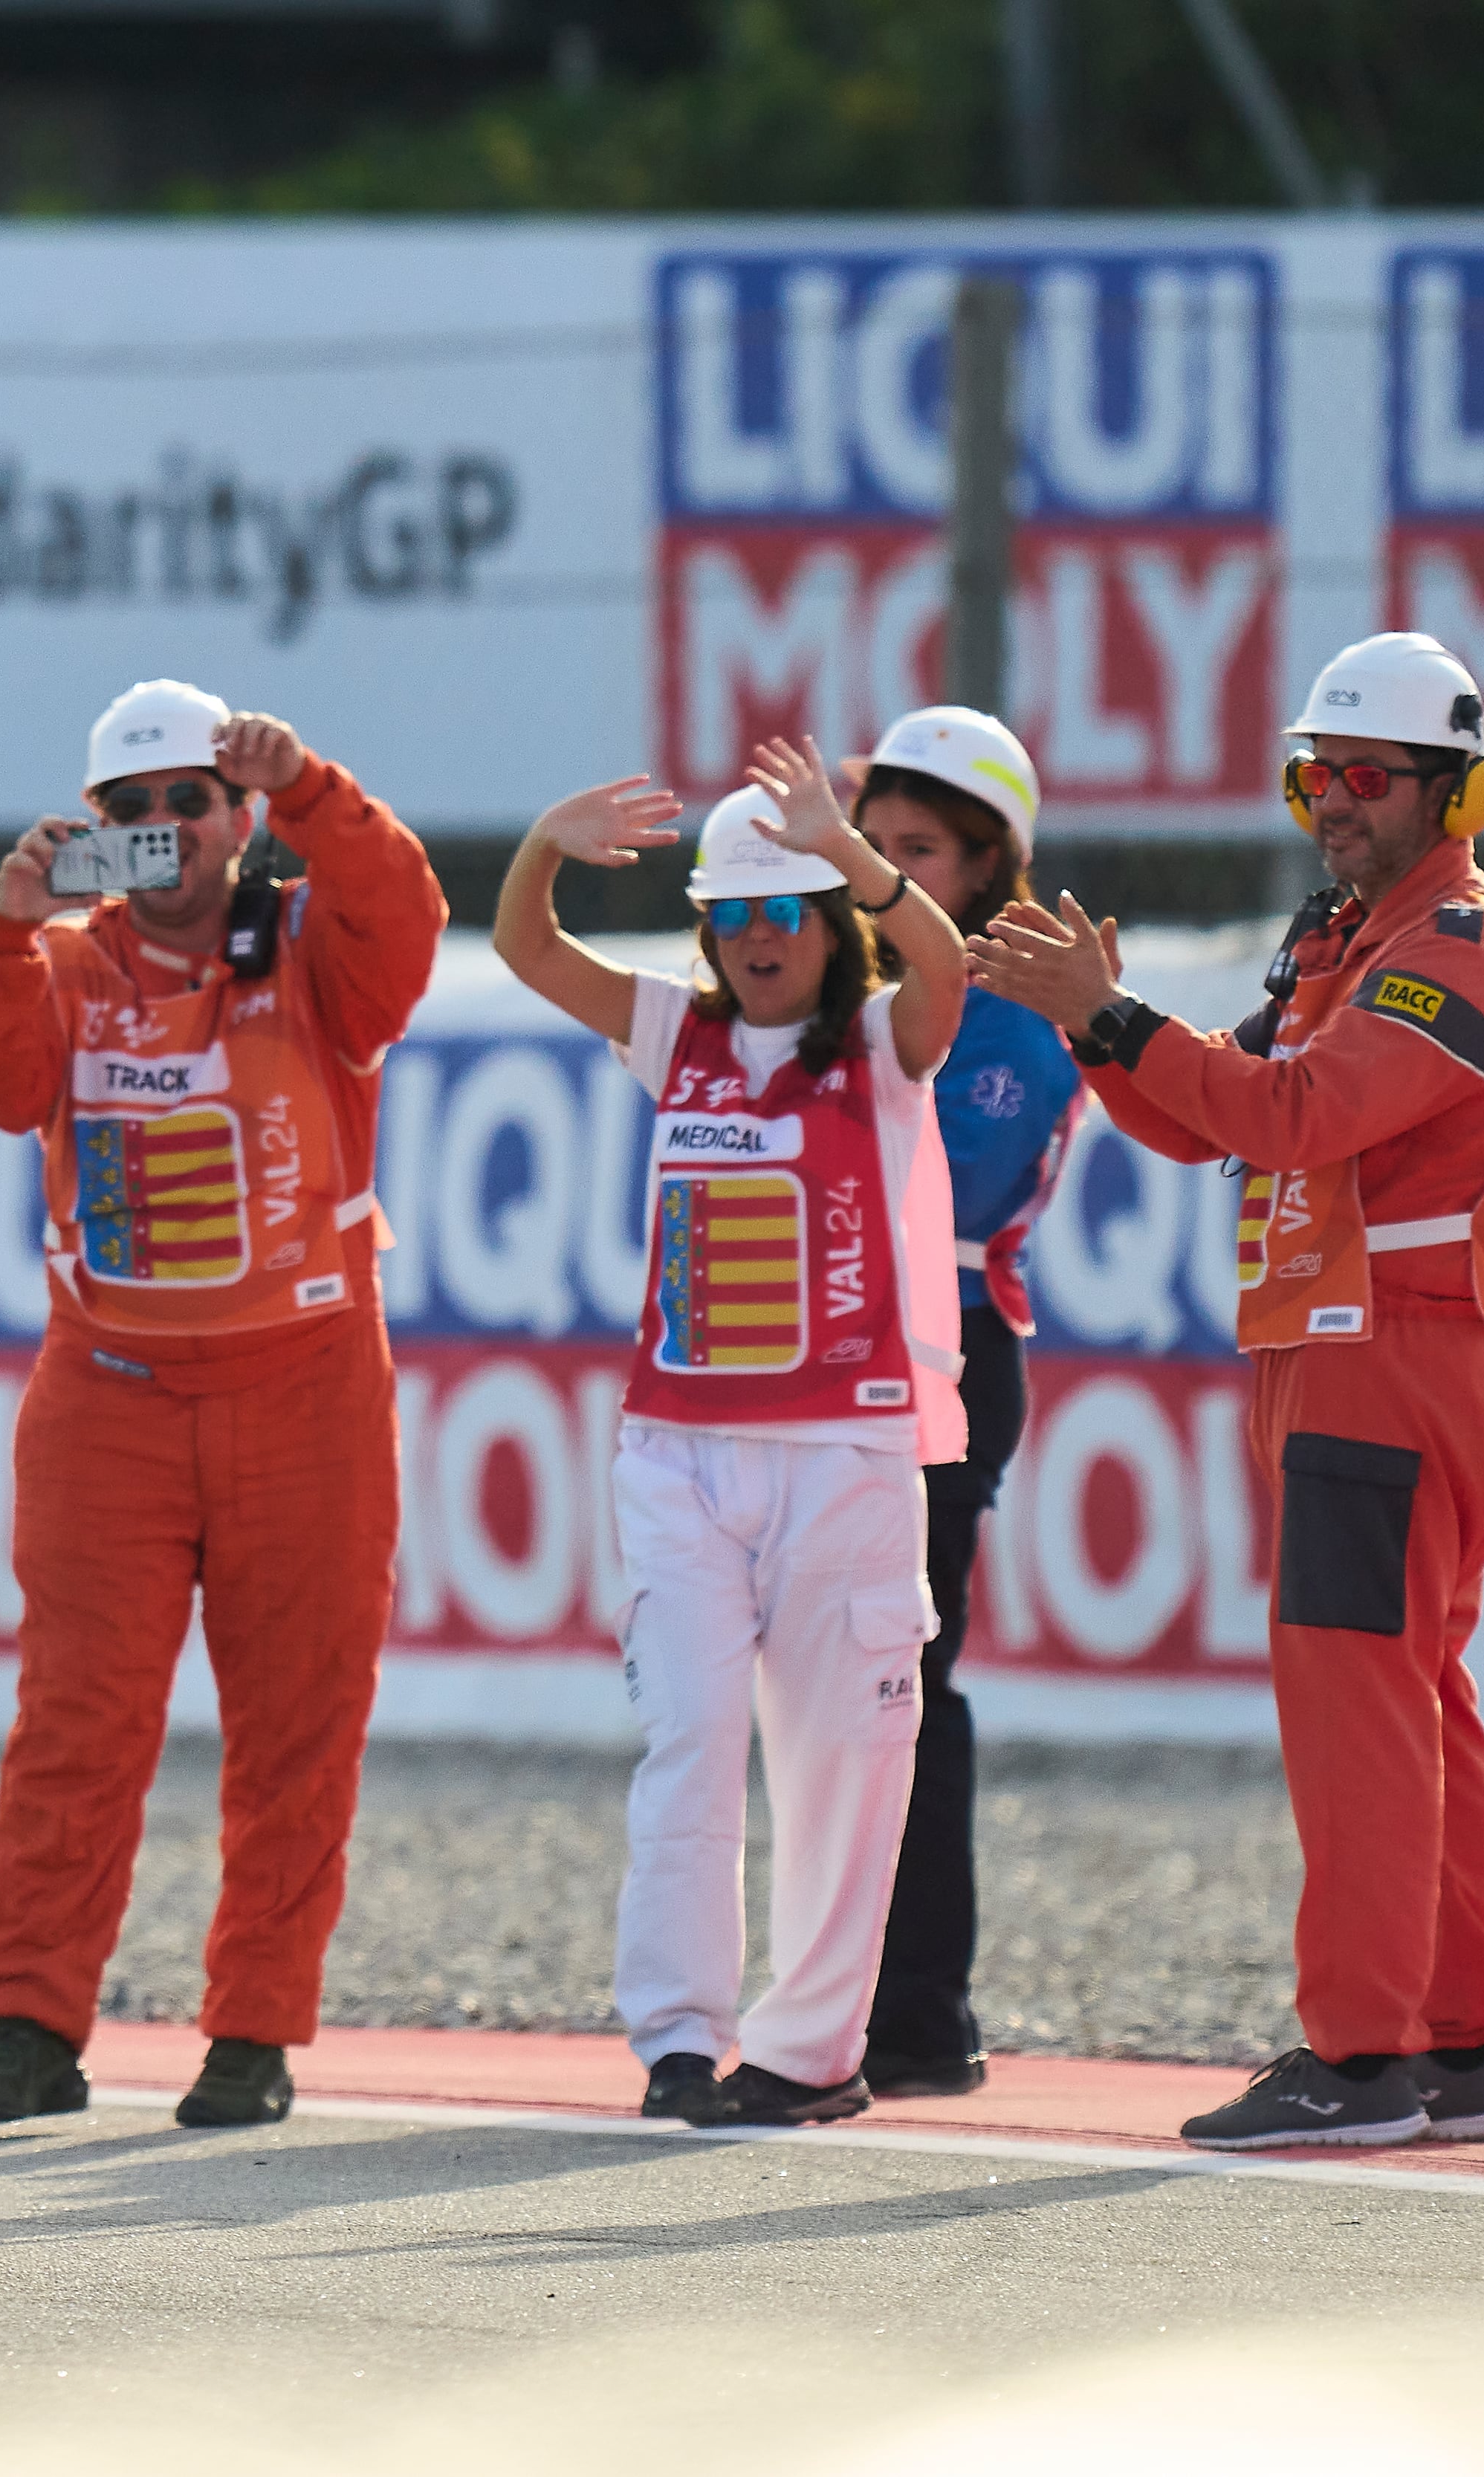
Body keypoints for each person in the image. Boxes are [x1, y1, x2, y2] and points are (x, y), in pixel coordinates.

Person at [969, 632, 1484, 2152]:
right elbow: (1202, 1111)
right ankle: (1460, 2045)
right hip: (1347, 1353)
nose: (1334, 800)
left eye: (1368, 775)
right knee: (1413, 1703)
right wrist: (1087, 1027)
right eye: (1317, 772)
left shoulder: (1461, 949)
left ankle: (1357, 2061)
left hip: (1390, 1361)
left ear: (1457, 788)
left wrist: (1110, 1017)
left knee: (1359, 1713)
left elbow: (1293, 1114)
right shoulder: (1350, 938)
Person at [0, 679, 447, 2131]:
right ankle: (30, 2024)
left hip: (309, 1385)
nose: (160, 832)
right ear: (94, 827)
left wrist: (320, 789)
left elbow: (404, 921)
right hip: (108, 1394)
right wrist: (0, 925)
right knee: (75, 1724)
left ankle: (254, 2032)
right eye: (128, 812)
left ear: (239, 816)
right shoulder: (58, 961)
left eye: (187, 804)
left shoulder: (312, 945)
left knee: (298, 1726)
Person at [492, 743, 968, 2129]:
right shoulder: (677, 1034)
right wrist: (546, 836)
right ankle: (681, 2041)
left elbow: (941, 974)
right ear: (711, 931)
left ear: (833, 928)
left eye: (787, 913)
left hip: (847, 1455)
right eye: (737, 916)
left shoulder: (883, 1045)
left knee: (840, 1776)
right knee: (691, 1745)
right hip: (678, 1455)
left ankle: (811, 2055)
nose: (761, 940)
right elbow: (529, 945)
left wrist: (861, 856)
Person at [846, 708, 1080, 2102]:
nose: (886, 871)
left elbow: (961, 1172)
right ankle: (832, 1993)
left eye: (919, 849)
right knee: (819, 1688)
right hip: (818, 1360)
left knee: (909, 1683)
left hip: (949, 1355)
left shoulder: (1022, 1017)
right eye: (872, 846)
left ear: (995, 861)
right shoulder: (831, 977)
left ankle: (922, 2012)